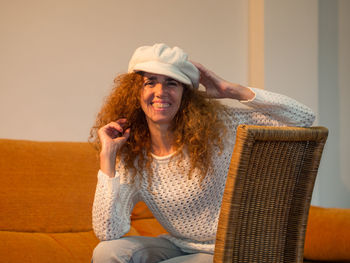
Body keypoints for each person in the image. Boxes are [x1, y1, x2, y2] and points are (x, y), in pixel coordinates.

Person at [90, 43, 315, 263]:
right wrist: (107, 157)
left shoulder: (219, 129)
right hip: (179, 245)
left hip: (229, 249)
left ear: (184, 94)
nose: (160, 92)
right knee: (106, 253)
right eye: (150, 83)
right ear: (135, 93)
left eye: (171, 83)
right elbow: (108, 232)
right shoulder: (133, 155)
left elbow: (303, 117)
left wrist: (231, 90)